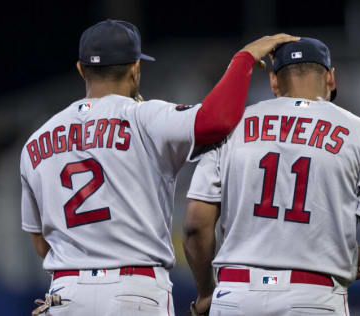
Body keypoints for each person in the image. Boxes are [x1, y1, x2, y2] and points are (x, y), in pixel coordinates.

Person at [20, 18, 299, 316]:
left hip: (67, 294)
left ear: (80, 69)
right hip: (133, 291)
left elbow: (41, 241)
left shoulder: (36, 142)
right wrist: (243, 58)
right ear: (135, 69)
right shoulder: (143, 116)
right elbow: (215, 120)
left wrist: (80, 277)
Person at [183, 37, 360, 316]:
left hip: (237, 294)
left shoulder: (231, 127)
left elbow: (195, 225)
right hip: (314, 296)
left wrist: (205, 293)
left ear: (274, 82)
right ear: (331, 78)